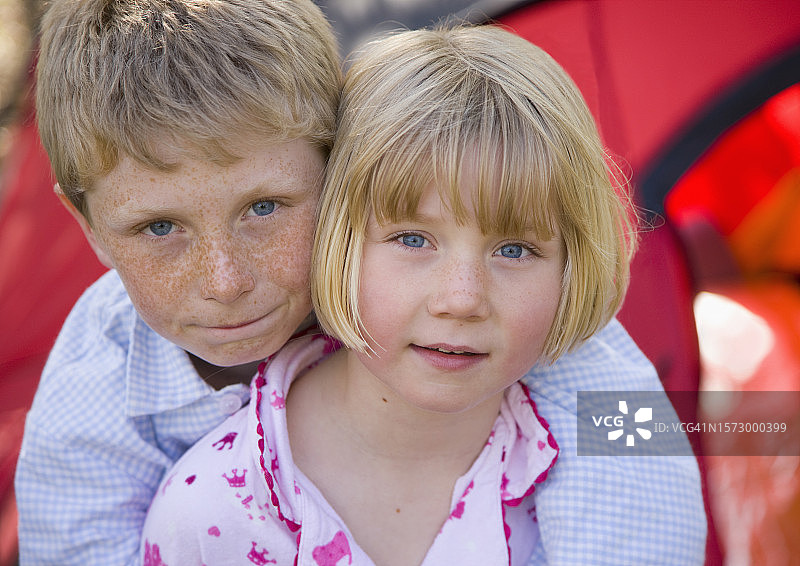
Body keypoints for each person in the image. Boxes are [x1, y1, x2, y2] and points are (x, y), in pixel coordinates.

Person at [139, 25, 706, 565]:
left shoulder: (609, 471)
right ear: (335, 240)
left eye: (514, 250)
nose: (461, 300)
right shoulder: (211, 518)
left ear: (572, 268)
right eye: (412, 239)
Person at [14, 0, 341, 563]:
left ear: (337, 165)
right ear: (88, 227)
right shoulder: (85, 412)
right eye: (159, 227)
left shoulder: (422, 290)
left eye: (264, 207)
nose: (226, 281)